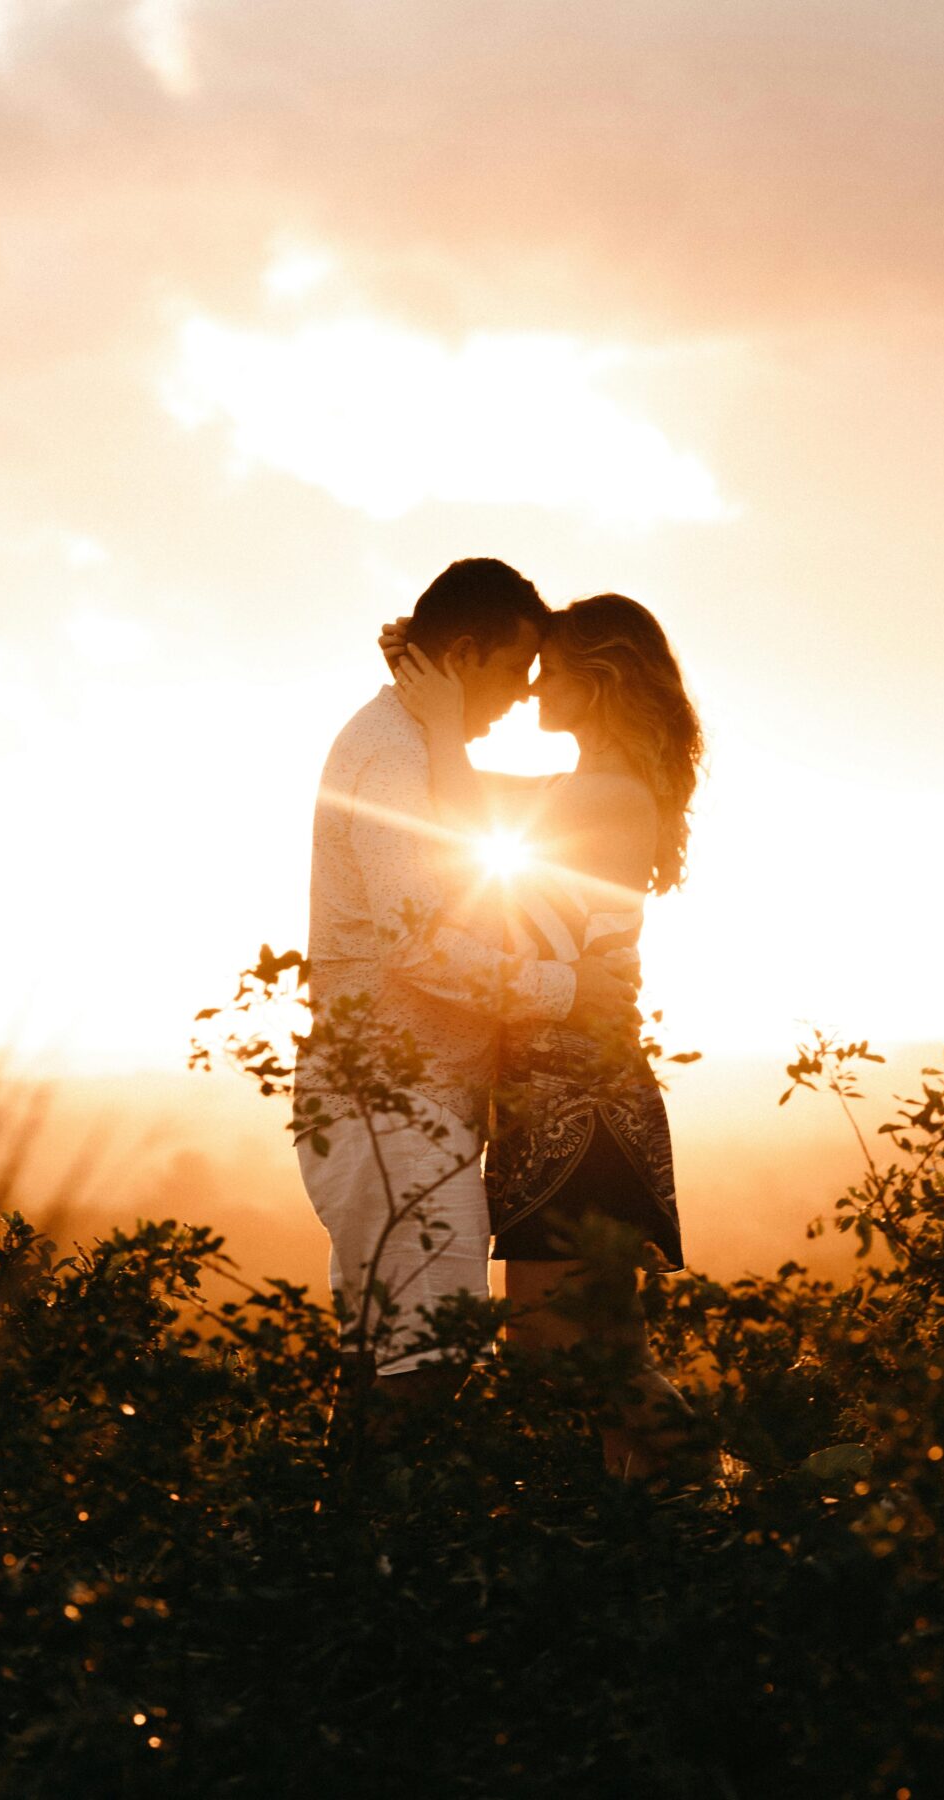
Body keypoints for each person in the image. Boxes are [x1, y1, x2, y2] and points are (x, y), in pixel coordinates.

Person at [295, 560, 639, 1421]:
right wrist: (567, 988)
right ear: (467, 653)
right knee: (428, 1355)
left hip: (413, 1101)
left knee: (394, 1350)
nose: (524, 696)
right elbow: (419, 946)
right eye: (517, 669)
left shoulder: (414, 746)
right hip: (385, 1098)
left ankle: (343, 1548)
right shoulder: (389, 755)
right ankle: (379, 1550)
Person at [382, 594, 703, 1478]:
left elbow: (453, 808)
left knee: (560, 1354)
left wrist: (442, 712)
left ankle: (715, 1476)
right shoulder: (599, 785)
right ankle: (668, 1527)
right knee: (609, 1352)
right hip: (567, 1092)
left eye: (552, 670)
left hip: (580, 1102)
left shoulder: (605, 792)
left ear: (598, 682)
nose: (532, 690)